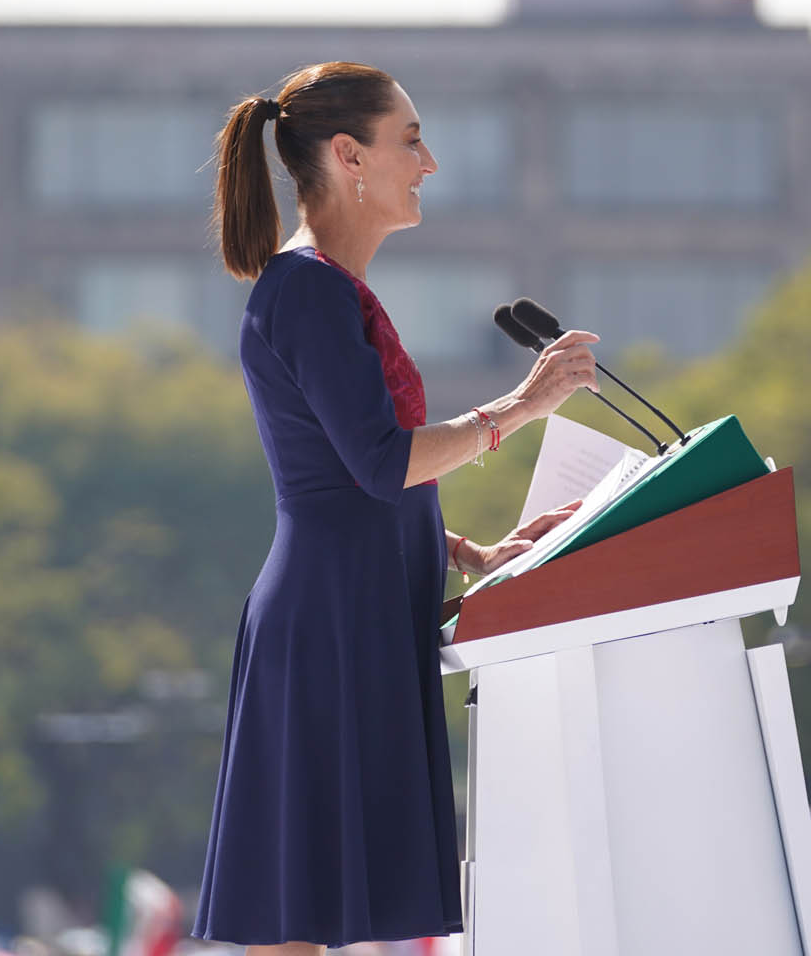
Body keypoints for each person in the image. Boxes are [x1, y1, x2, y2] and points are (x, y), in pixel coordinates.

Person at [191, 61, 599, 956]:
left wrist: (466, 551)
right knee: (295, 928)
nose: (429, 163)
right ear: (349, 157)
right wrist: (522, 405)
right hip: (329, 626)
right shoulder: (307, 289)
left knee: (315, 918)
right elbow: (379, 465)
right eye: (410, 140)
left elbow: (352, 479)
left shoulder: (327, 288)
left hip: (356, 615)